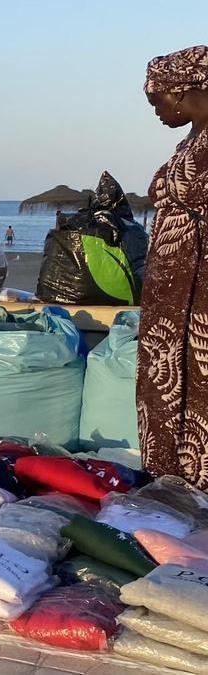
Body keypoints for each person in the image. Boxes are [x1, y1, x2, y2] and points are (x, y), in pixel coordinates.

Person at [137, 45, 208, 489]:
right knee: (166, 382)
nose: (157, 113)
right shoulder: (193, 137)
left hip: (199, 290)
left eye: (156, 102)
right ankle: (172, 482)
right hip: (172, 294)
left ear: (179, 90)